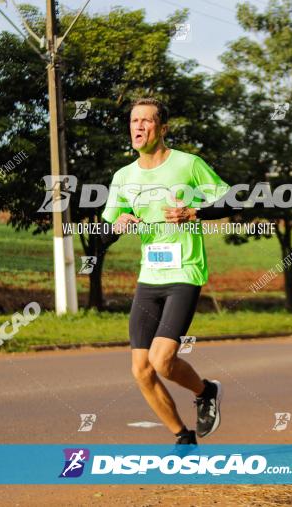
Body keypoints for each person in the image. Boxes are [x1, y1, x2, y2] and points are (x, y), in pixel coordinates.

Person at [102, 98, 233, 446]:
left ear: (162, 128)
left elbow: (231, 201)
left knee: (161, 360)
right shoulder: (123, 177)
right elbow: (106, 232)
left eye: (146, 120)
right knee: (141, 370)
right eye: (133, 121)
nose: (138, 126)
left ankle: (206, 391)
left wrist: (195, 213)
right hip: (150, 277)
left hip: (185, 272)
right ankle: (182, 436)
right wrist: (120, 224)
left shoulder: (188, 165)